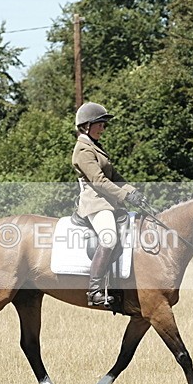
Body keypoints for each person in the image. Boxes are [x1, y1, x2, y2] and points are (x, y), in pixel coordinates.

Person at [71, 102, 146, 307]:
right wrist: (124, 196)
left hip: (108, 202)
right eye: (100, 124)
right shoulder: (83, 150)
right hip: (95, 203)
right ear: (86, 125)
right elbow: (99, 181)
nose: (103, 129)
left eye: (104, 125)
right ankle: (94, 290)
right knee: (109, 237)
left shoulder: (96, 147)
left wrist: (132, 191)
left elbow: (114, 176)